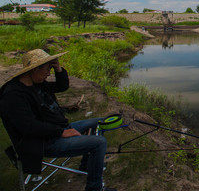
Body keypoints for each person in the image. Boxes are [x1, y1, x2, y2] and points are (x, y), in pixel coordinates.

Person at [0, 49, 116, 191]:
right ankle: (95, 188)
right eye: (47, 69)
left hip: (58, 129)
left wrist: (58, 69)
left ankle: (87, 165)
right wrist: (61, 132)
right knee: (99, 143)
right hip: (42, 142)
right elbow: (28, 127)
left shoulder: (37, 83)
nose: (49, 74)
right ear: (34, 69)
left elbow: (62, 86)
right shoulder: (13, 95)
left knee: (101, 122)